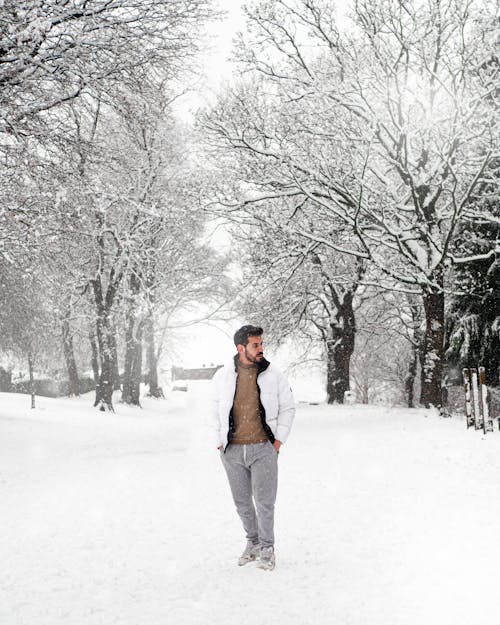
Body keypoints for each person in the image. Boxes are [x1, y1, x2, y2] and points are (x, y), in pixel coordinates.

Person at [210, 325, 295, 570]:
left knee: (265, 501)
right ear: (241, 348)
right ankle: (253, 543)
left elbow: (288, 407)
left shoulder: (273, 374)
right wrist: (219, 440)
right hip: (232, 451)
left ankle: (268, 548)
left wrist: (278, 440)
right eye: (255, 345)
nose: (261, 349)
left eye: (261, 344)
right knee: (242, 503)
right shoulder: (223, 376)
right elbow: (214, 410)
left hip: (263, 448)